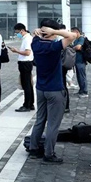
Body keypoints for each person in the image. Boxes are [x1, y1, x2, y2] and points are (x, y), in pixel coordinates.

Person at [28, 19, 76, 164]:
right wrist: (55, 31)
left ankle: (33, 148)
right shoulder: (54, 46)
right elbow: (72, 36)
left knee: (40, 120)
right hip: (55, 89)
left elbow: (35, 35)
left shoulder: (35, 44)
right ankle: (49, 154)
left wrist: (38, 31)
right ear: (51, 33)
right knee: (53, 124)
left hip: (41, 89)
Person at [9, 23, 35, 111]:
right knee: (28, 84)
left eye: (17, 32)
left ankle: (27, 105)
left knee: (26, 84)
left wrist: (16, 51)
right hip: (26, 63)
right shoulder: (26, 38)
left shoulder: (27, 39)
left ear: (22, 30)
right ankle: (30, 104)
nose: (17, 34)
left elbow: (27, 52)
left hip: (25, 63)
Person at [71, 27, 88, 97]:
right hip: (77, 61)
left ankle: (84, 91)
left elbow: (78, 47)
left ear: (77, 32)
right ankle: (81, 90)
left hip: (81, 61)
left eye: (73, 32)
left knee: (82, 76)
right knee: (79, 76)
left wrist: (72, 48)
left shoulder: (81, 38)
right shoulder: (76, 39)